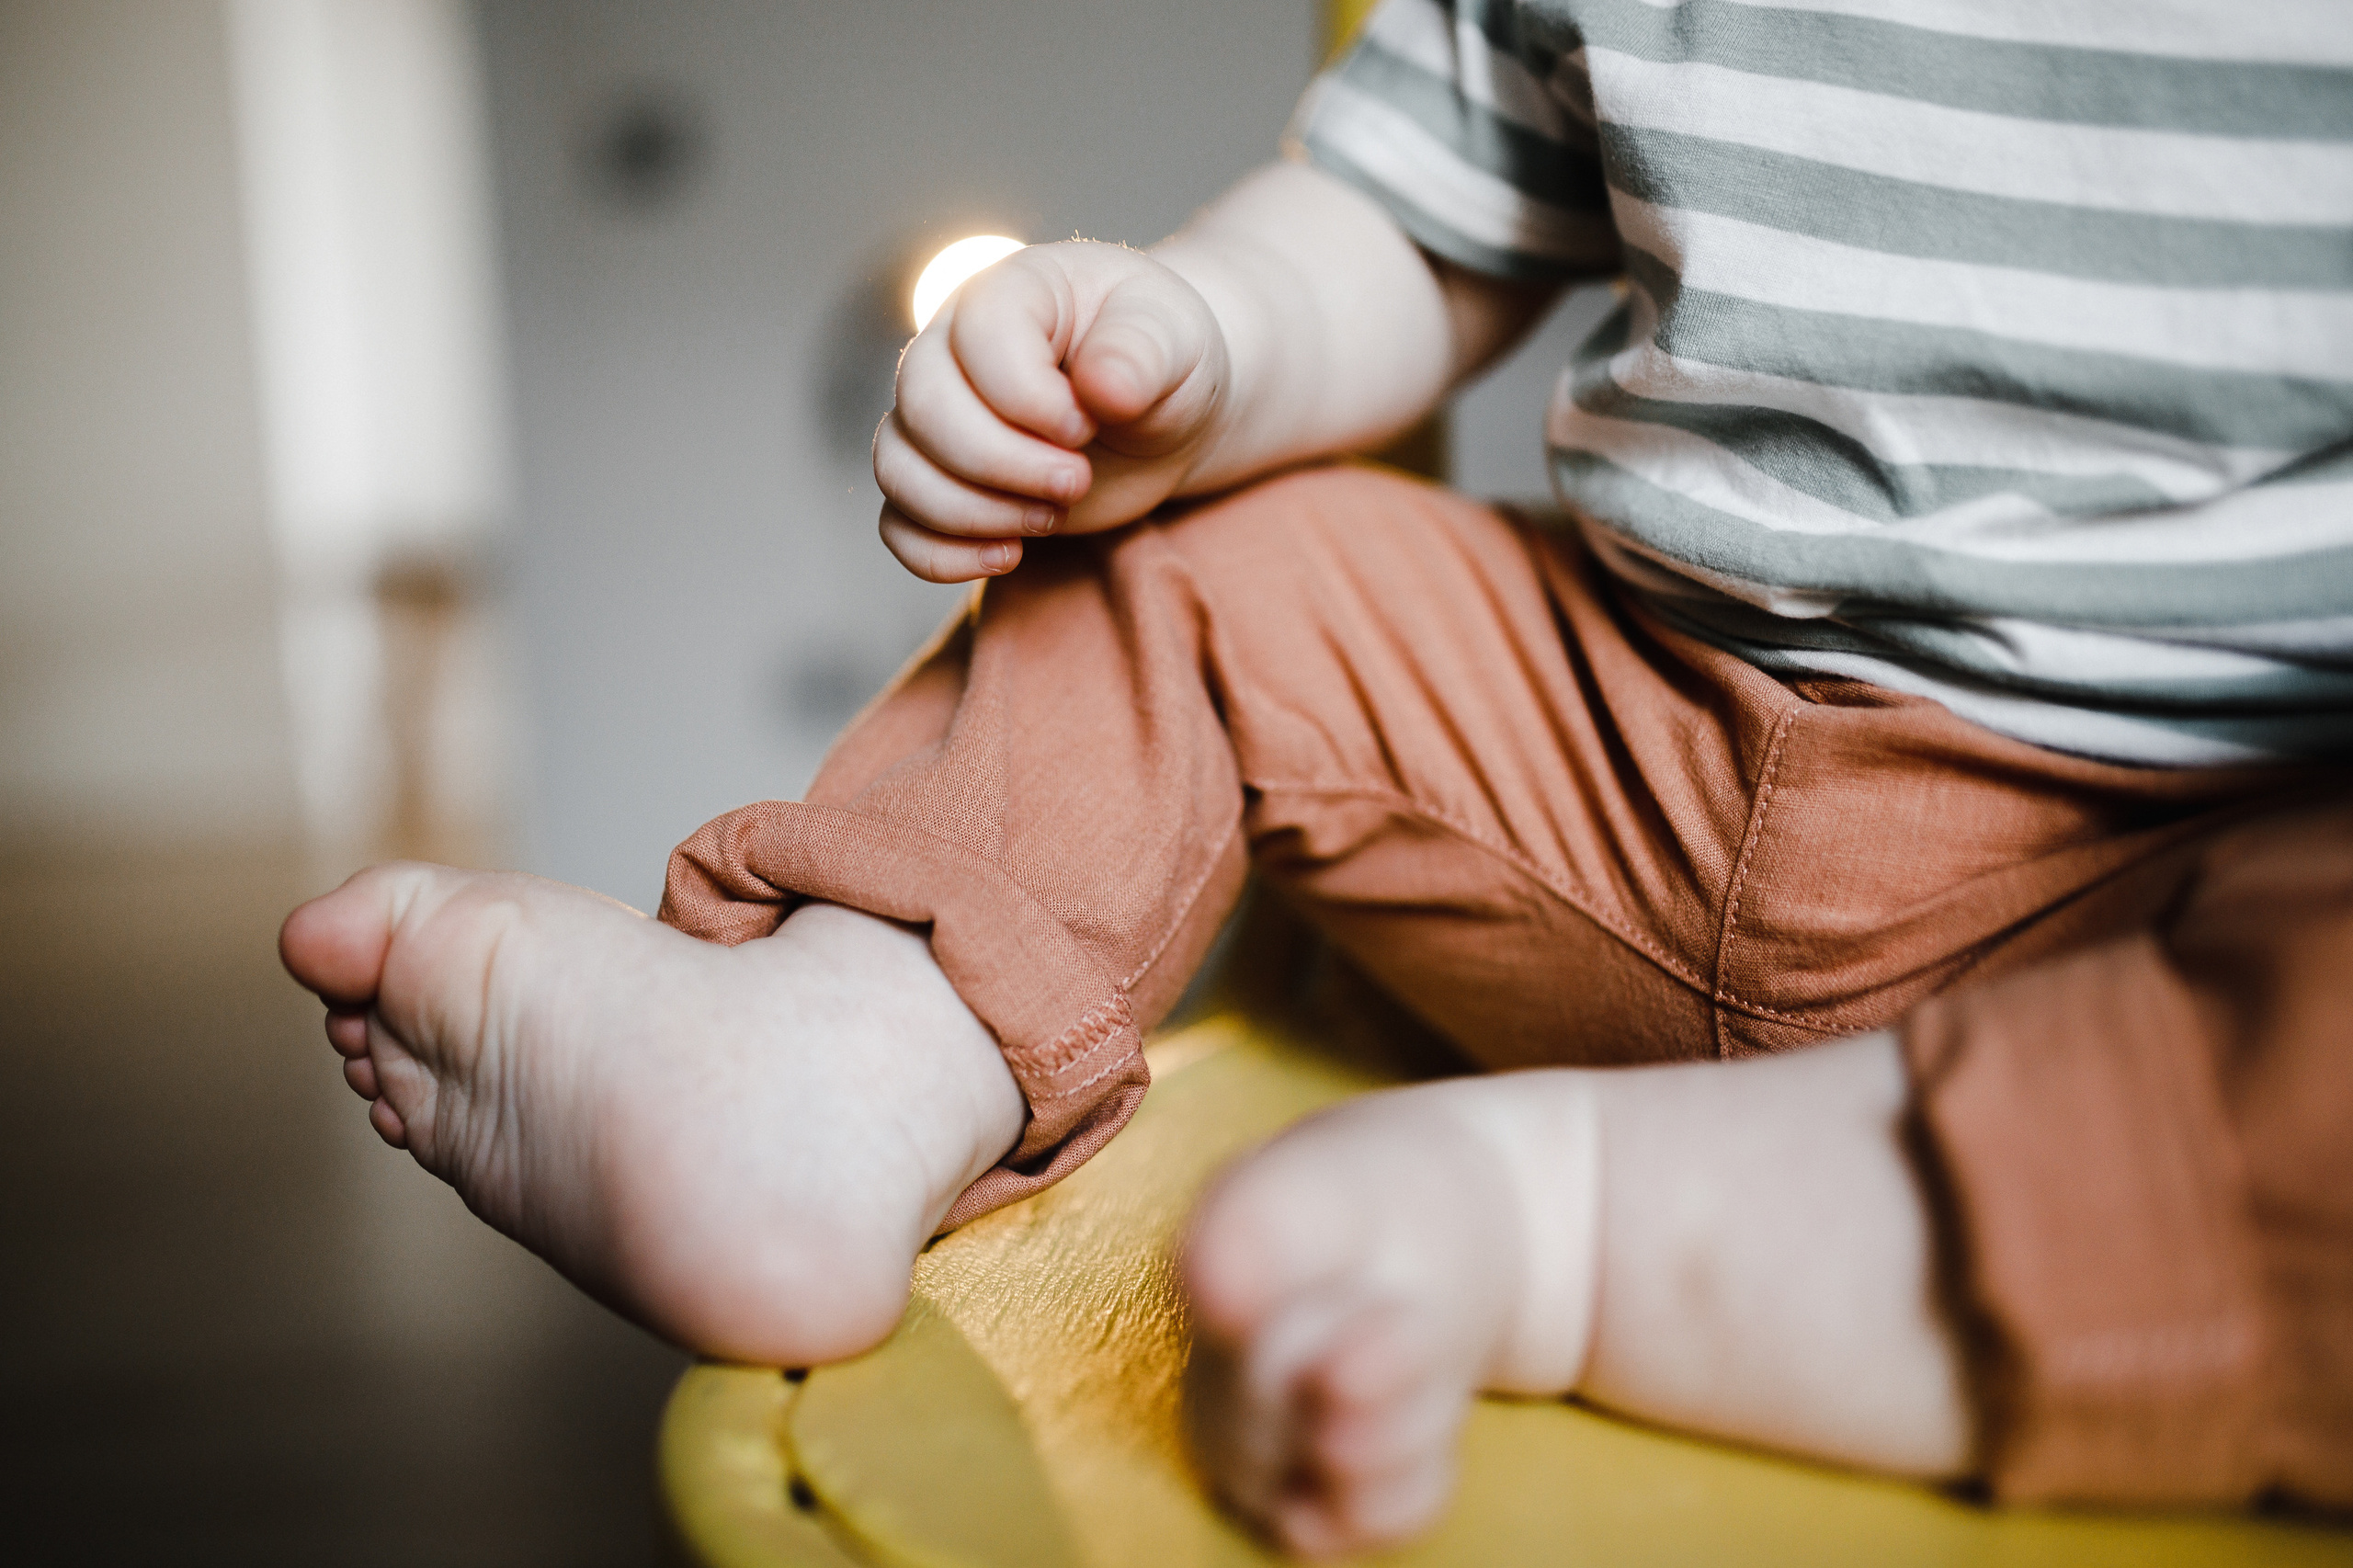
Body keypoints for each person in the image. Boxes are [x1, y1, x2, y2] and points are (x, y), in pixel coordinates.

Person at [280, 0, 2353, 1555]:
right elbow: (1404, 223)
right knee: (1179, 554)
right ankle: (839, 1068)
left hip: (2182, 896)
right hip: (1622, 756)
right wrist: (1203, 342)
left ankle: (1568, 1228)